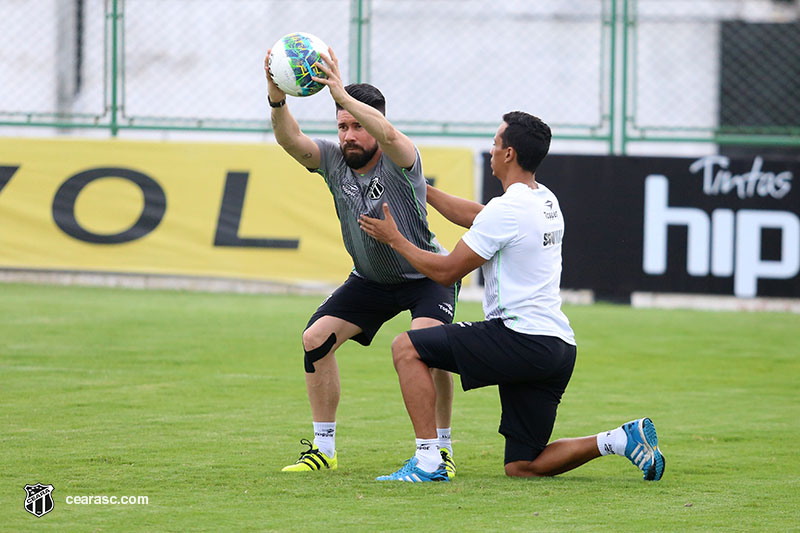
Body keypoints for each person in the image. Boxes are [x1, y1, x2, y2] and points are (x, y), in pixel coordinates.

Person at [359, 111, 665, 482]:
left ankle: (428, 461)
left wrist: (394, 239)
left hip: (519, 339)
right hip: (556, 348)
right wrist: (417, 187)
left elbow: (446, 272)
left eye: (495, 142)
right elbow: (478, 215)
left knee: (406, 347)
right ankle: (618, 440)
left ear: (509, 155)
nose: (490, 149)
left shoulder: (508, 209)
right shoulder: (543, 199)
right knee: (522, 466)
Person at [264, 46, 459, 476]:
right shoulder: (334, 161)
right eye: (341, 126)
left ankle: (440, 448)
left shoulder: (399, 159)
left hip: (425, 272)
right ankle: (324, 449)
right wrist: (277, 97)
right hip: (371, 279)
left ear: (374, 122)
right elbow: (288, 139)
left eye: (356, 125)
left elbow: (389, 136)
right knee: (315, 340)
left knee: (428, 348)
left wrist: (341, 94)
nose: (348, 135)